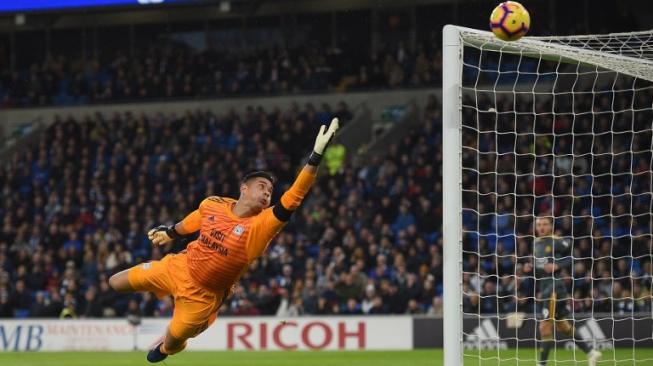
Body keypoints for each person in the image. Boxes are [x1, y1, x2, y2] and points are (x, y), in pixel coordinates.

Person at [109, 118, 339, 363]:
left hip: (203, 296)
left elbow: (293, 198)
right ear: (244, 189)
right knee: (115, 282)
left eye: (270, 192)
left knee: (172, 342)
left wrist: (315, 157)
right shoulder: (214, 204)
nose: (266, 193)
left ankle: (170, 346)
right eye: (262, 187)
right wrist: (171, 232)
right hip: (178, 267)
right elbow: (197, 218)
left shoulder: (261, 226)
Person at [531, 216, 602, 366]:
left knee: (544, 326)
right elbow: (540, 267)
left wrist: (557, 265)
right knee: (562, 325)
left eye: (544, 224)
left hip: (554, 289)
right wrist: (530, 268)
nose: (541, 227)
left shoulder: (557, 240)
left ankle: (541, 364)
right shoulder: (536, 243)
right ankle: (591, 352)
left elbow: (573, 256)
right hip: (544, 288)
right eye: (539, 224)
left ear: (550, 226)